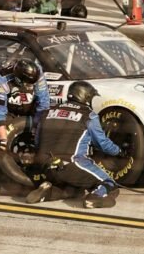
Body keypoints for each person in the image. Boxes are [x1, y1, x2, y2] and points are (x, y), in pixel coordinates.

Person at [29, 81, 124, 209]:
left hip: (45, 166)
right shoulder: (89, 116)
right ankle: (94, 199)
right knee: (110, 185)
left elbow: (37, 141)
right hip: (71, 164)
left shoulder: (48, 111)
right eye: (90, 97)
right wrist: (119, 151)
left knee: (75, 191)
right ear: (84, 96)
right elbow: (102, 144)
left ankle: (48, 190)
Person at [0, 58, 50, 197]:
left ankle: (37, 177)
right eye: (27, 83)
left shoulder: (37, 74)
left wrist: (37, 131)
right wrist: (3, 140)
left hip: (31, 110)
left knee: (42, 135)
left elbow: (43, 105)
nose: (29, 86)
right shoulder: (2, 78)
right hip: (9, 110)